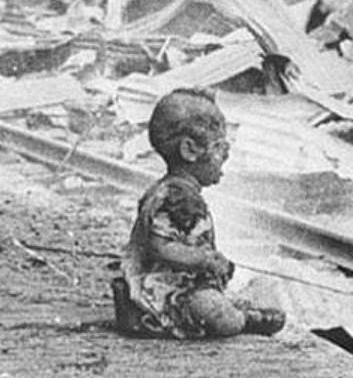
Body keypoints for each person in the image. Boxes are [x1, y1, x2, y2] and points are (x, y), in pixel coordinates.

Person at [113, 87, 285, 339]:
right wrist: (203, 260)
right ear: (190, 150)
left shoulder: (175, 192)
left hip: (173, 284)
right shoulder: (176, 197)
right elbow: (161, 247)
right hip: (159, 291)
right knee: (218, 315)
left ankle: (235, 310)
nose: (226, 157)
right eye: (220, 148)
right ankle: (244, 318)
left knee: (216, 299)